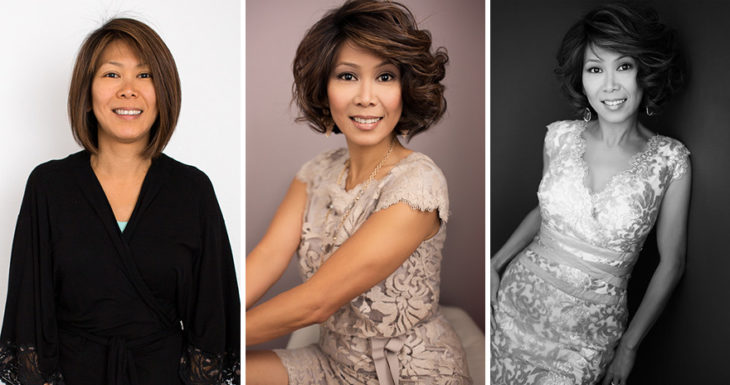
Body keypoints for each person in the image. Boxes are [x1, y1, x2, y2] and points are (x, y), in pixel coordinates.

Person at [0, 18, 240, 385]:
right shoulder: (48, 186)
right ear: (87, 91)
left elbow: (213, 321)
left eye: (144, 76)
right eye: (112, 75)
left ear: (164, 91)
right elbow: (29, 314)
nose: (129, 91)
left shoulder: (192, 190)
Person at [245, 0, 472, 384]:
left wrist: (214, 335)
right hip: (330, 360)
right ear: (324, 86)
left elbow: (317, 301)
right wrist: (211, 318)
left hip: (410, 372)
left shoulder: (419, 184)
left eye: (384, 77)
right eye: (347, 76)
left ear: (406, 88)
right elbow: (268, 257)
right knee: (215, 372)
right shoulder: (315, 173)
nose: (366, 97)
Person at [490, 3, 690, 385]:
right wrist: (494, 263)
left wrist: (629, 347)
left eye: (624, 66)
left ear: (644, 73)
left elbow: (672, 263)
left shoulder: (670, 159)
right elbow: (543, 210)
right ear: (581, 79)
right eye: (595, 69)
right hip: (517, 303)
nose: (610, 85)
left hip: (588, 335)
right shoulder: (559, 137)